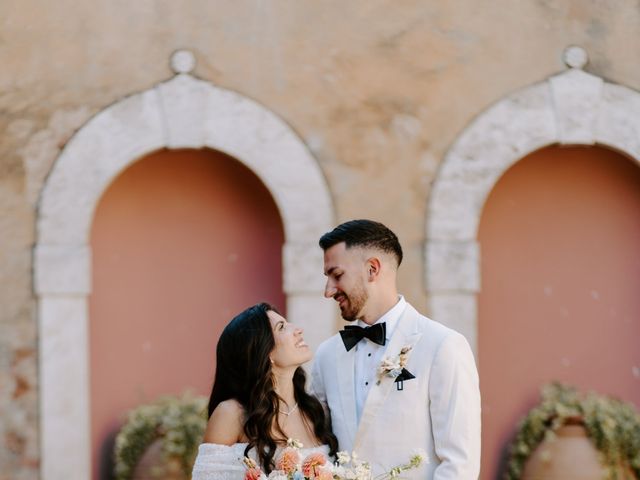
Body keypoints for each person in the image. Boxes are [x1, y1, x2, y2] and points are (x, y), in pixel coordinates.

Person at [311, 220, 481, 479]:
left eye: (337, 275)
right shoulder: (326, 356)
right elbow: (319, 448)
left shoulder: (443, 346)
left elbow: (460, 464)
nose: (328, 291)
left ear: (372, 269)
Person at [192, 303, 338, 479]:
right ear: (264, 350)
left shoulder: (317, 411)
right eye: (282, 327)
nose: (298, 329)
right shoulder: (232, 414)